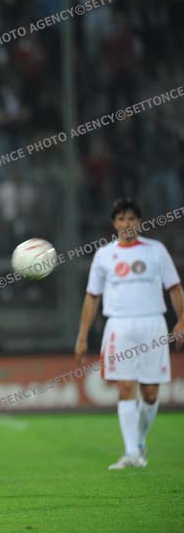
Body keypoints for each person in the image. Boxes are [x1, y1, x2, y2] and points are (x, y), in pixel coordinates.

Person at [74, 198, 184, 470]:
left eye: (131, 218)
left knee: (150, 393)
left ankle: (140, 441)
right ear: (114, 223)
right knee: (124, 388)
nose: (127, 223)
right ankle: (131, 452)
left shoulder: (155, 251)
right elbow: (92, 296)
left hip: (153, 325)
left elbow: (174, 287)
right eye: (121, 218)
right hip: (119, 326)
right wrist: (82, 336)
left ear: (140, 222)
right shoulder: (104, 255)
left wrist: (182, 320)